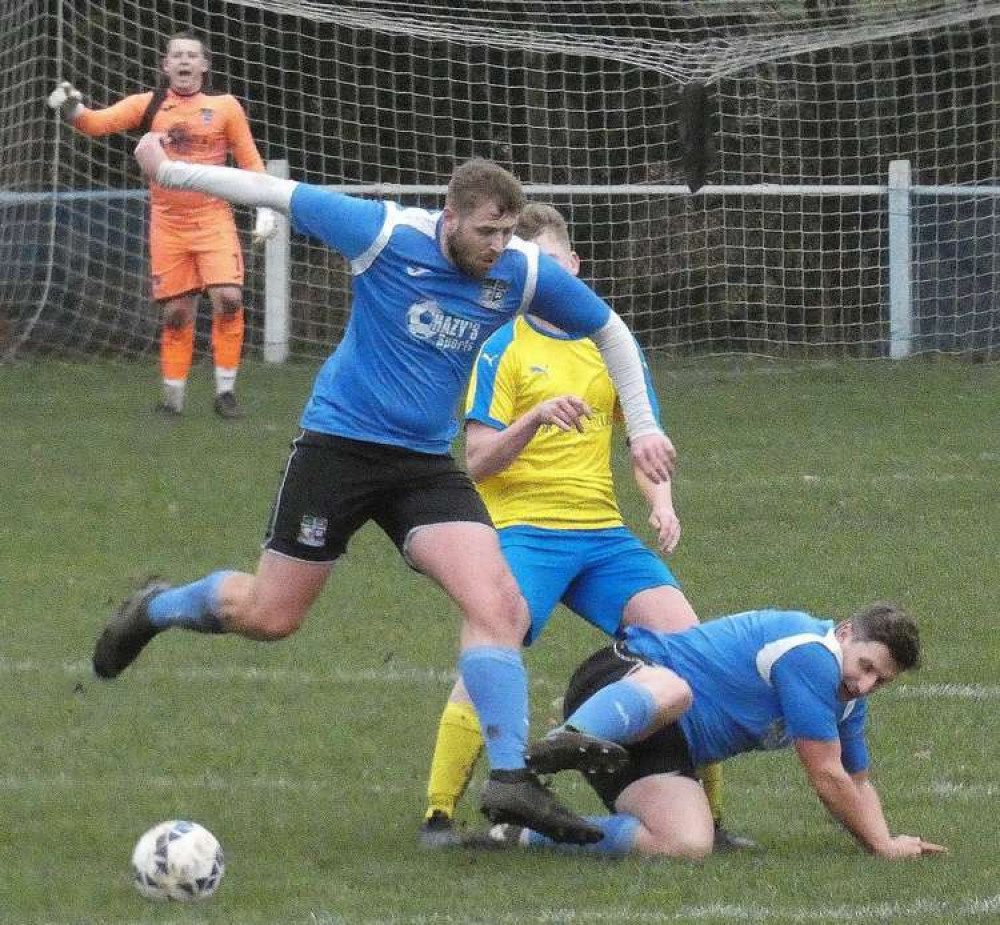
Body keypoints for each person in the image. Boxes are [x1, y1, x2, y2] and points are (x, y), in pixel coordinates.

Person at [91, 138, 677, 846]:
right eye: (486, 231)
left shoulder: (518, 272)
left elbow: (611, 330)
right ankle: (157, 606)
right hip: (337, 449)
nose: (498, 245)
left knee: (499, 603)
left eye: (506, 231)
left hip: (422, 465)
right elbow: (272, 193)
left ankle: (511, 776)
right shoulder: (383, 234)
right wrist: (168, 170)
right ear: (450, 218)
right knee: (271, 615)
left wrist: (641, 428)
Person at [419, 204, 749, 852]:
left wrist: (662, 500)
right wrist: (535, 417)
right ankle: (437, 816)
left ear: (574, 267)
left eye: (549, 264)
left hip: (603, 538)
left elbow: (646, 446)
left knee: (692, 648)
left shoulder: (613, 344)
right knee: (494, 640)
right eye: (528, 267)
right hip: (523, 531)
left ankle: (712, 817)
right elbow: (479, 461)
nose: (541, 277)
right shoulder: (502, 344)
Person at [468, 602, 947, 860]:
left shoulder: (849, 702)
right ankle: (568, 739)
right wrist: (880, 847)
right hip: (625, 679)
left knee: (684, 844)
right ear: (844, 633)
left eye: (879, 681)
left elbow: (857, 782)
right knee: (677, 690)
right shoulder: (810, 653)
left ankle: (521, 835)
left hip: (664, 739)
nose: (862, 683)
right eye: (864, 666)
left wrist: (888, 843)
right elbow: (826, 775)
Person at [47, 31, 275, 418]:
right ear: (165, 65)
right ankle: (172, 400)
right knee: (176, 315)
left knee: (230, 301)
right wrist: (70, 109)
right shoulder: (148, 104)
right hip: (168, 224)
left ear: (204, 65)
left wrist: (265, 209)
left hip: (213, 219)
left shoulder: (225, 107)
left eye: (192, 55)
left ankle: (225, 393)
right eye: (177, 56)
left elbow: (251, 161)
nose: (184, 61)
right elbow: (95, 123)